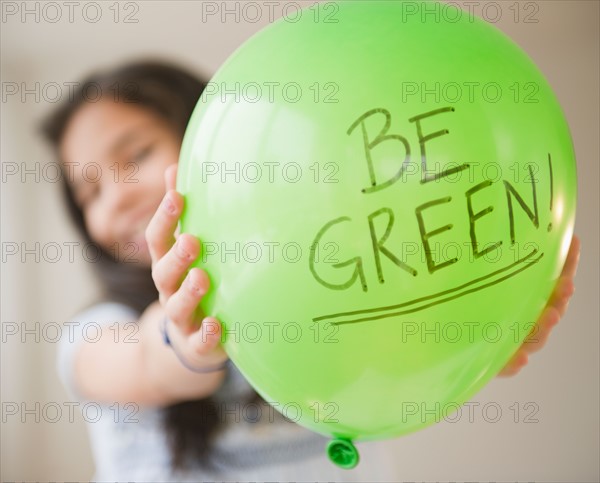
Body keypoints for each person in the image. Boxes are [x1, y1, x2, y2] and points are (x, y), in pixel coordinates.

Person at [41, 60, 581, 481]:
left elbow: (399, 357)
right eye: (89, 191)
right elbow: (144, 360)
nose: (116, 201)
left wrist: (474, 342)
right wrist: (186, 340)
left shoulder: (332, 277)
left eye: (134, 155)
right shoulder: (94, 336)